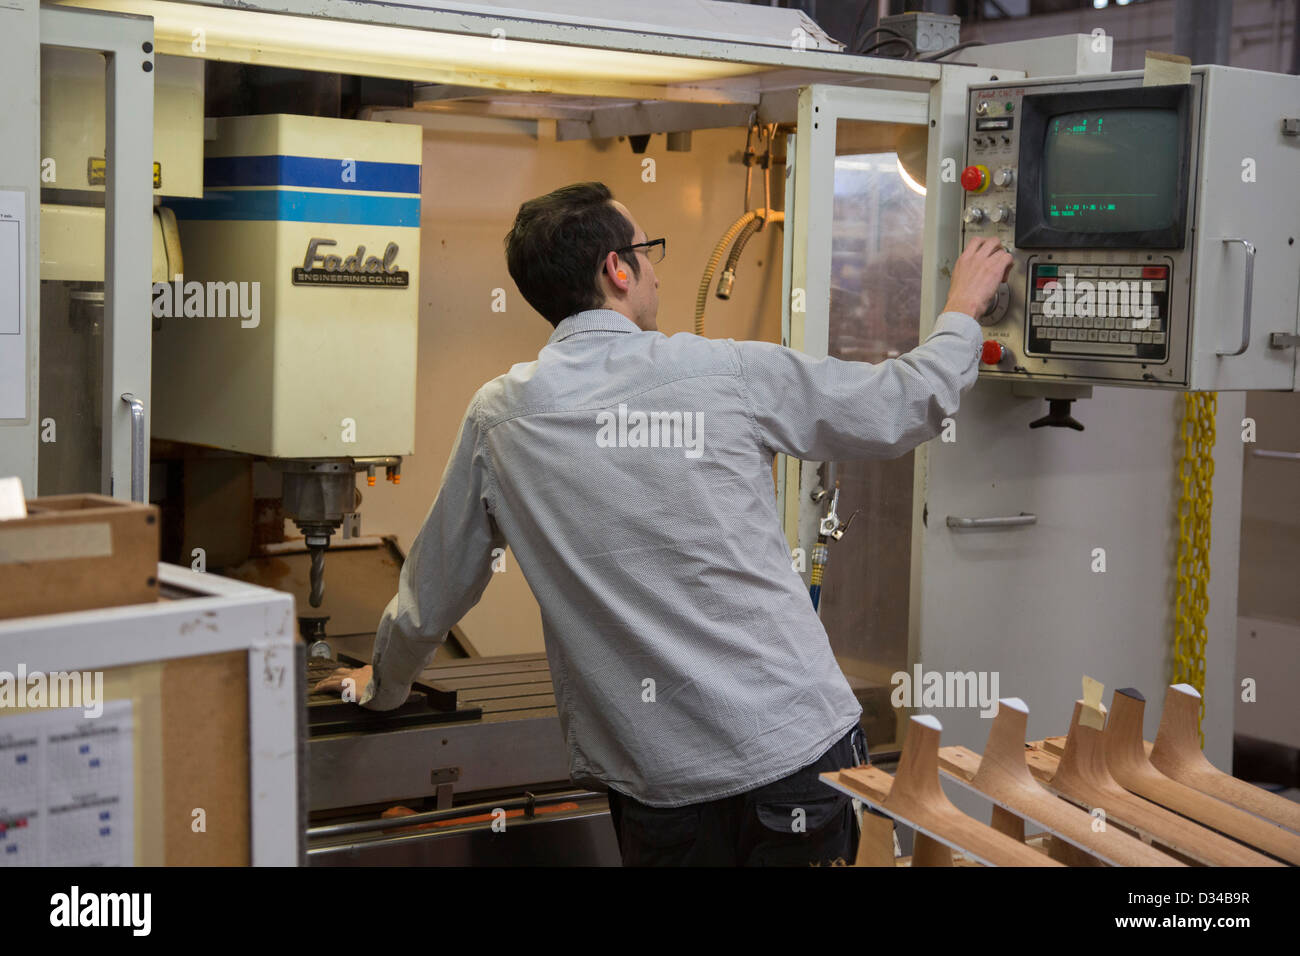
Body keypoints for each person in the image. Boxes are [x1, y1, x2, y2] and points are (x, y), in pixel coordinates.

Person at [315, 181, 1013, 866]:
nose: (655, 270)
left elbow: (432, 590)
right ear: (618, 270)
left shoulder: (499, 419)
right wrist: (961, 310)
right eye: (648, 251)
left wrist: (381, 684)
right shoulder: (725, 370)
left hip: (662, 791)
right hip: (796, 755)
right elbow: (900, 404)